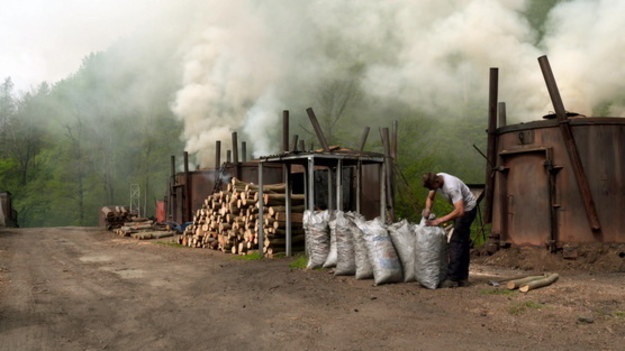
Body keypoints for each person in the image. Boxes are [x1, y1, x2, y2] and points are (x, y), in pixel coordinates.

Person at [421, 172, 477, 288]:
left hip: (467, 210)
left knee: (456, 242)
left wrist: (439, 220)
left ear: (437, 182)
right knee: (463, 242)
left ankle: (452, 278)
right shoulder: (436, 178)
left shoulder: (451, 187)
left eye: (433, 187)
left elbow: (460, 211)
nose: (433, 190)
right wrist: (427, 209)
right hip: (460, 210)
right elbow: (430, 198)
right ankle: (463, 278)